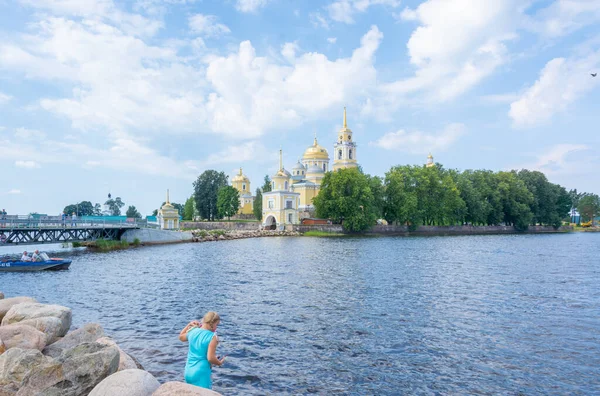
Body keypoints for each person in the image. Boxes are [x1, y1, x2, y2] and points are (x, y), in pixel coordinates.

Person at [179, 311, 226, 390]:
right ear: (212, 323)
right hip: (201, 373)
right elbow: (210, 358)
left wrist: (189, 325)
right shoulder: (212, 337)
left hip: (188, 371)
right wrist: (219, 362)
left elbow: (181, 337)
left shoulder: (193, 331)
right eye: (216, 325)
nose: (216, 327)